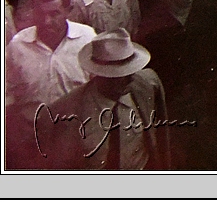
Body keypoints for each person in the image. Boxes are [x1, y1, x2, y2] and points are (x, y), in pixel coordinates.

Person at [46, 28, 169, 170]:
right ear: (100, 75)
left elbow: (161, 142)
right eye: (120, 75)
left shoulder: (148, 84)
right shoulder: (65, 112)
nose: (130, 79)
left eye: (131, 70)